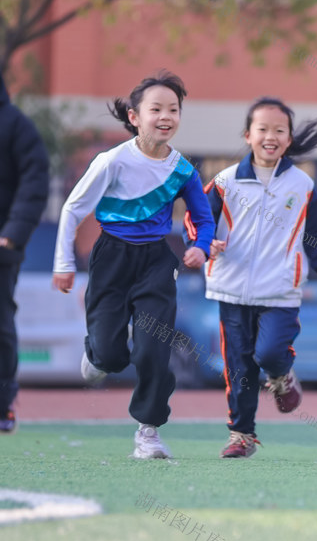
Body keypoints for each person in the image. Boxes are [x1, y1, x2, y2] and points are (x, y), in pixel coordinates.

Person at [52, 71, 215, 459]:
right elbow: (73, 209)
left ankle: (149, 431)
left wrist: (201, 247)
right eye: (155, 108)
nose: (166, 116)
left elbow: (204, 217)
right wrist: (64, 263)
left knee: (153, 348)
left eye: (173, 109)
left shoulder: (183, 170)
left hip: (156, 261)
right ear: (134, 117)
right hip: (111, 258)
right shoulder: (112, 161)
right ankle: (97, 354)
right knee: (110, 356)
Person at [201, 97, 317, 458]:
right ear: (248, 135)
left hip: (280, 290)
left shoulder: (302, 184)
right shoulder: (225, 181)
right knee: (240, 367)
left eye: (279, 130)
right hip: (230, 289)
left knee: (269, 352)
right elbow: (200, 218)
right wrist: (203, 244)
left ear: (289, 138)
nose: (271, 136)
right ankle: (241, 435)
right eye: (262, 129)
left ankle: (281, 376)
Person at [0, 72, 50, 434]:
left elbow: (35, 181)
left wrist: (12, 235)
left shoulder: (16, 125)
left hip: (2, 247)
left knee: (0, 326)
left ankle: (2, 406)